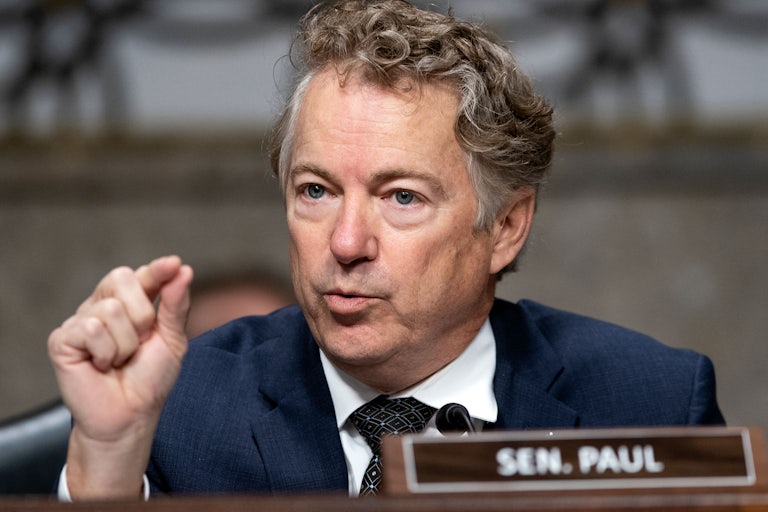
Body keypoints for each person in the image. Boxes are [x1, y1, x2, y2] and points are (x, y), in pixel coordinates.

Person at [47, 0, 724, 501]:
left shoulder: (649, 402)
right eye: (315, 190)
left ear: (508, 226)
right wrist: (108, 458)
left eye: (401, 197)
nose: (344, 243)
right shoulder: (187, 406)